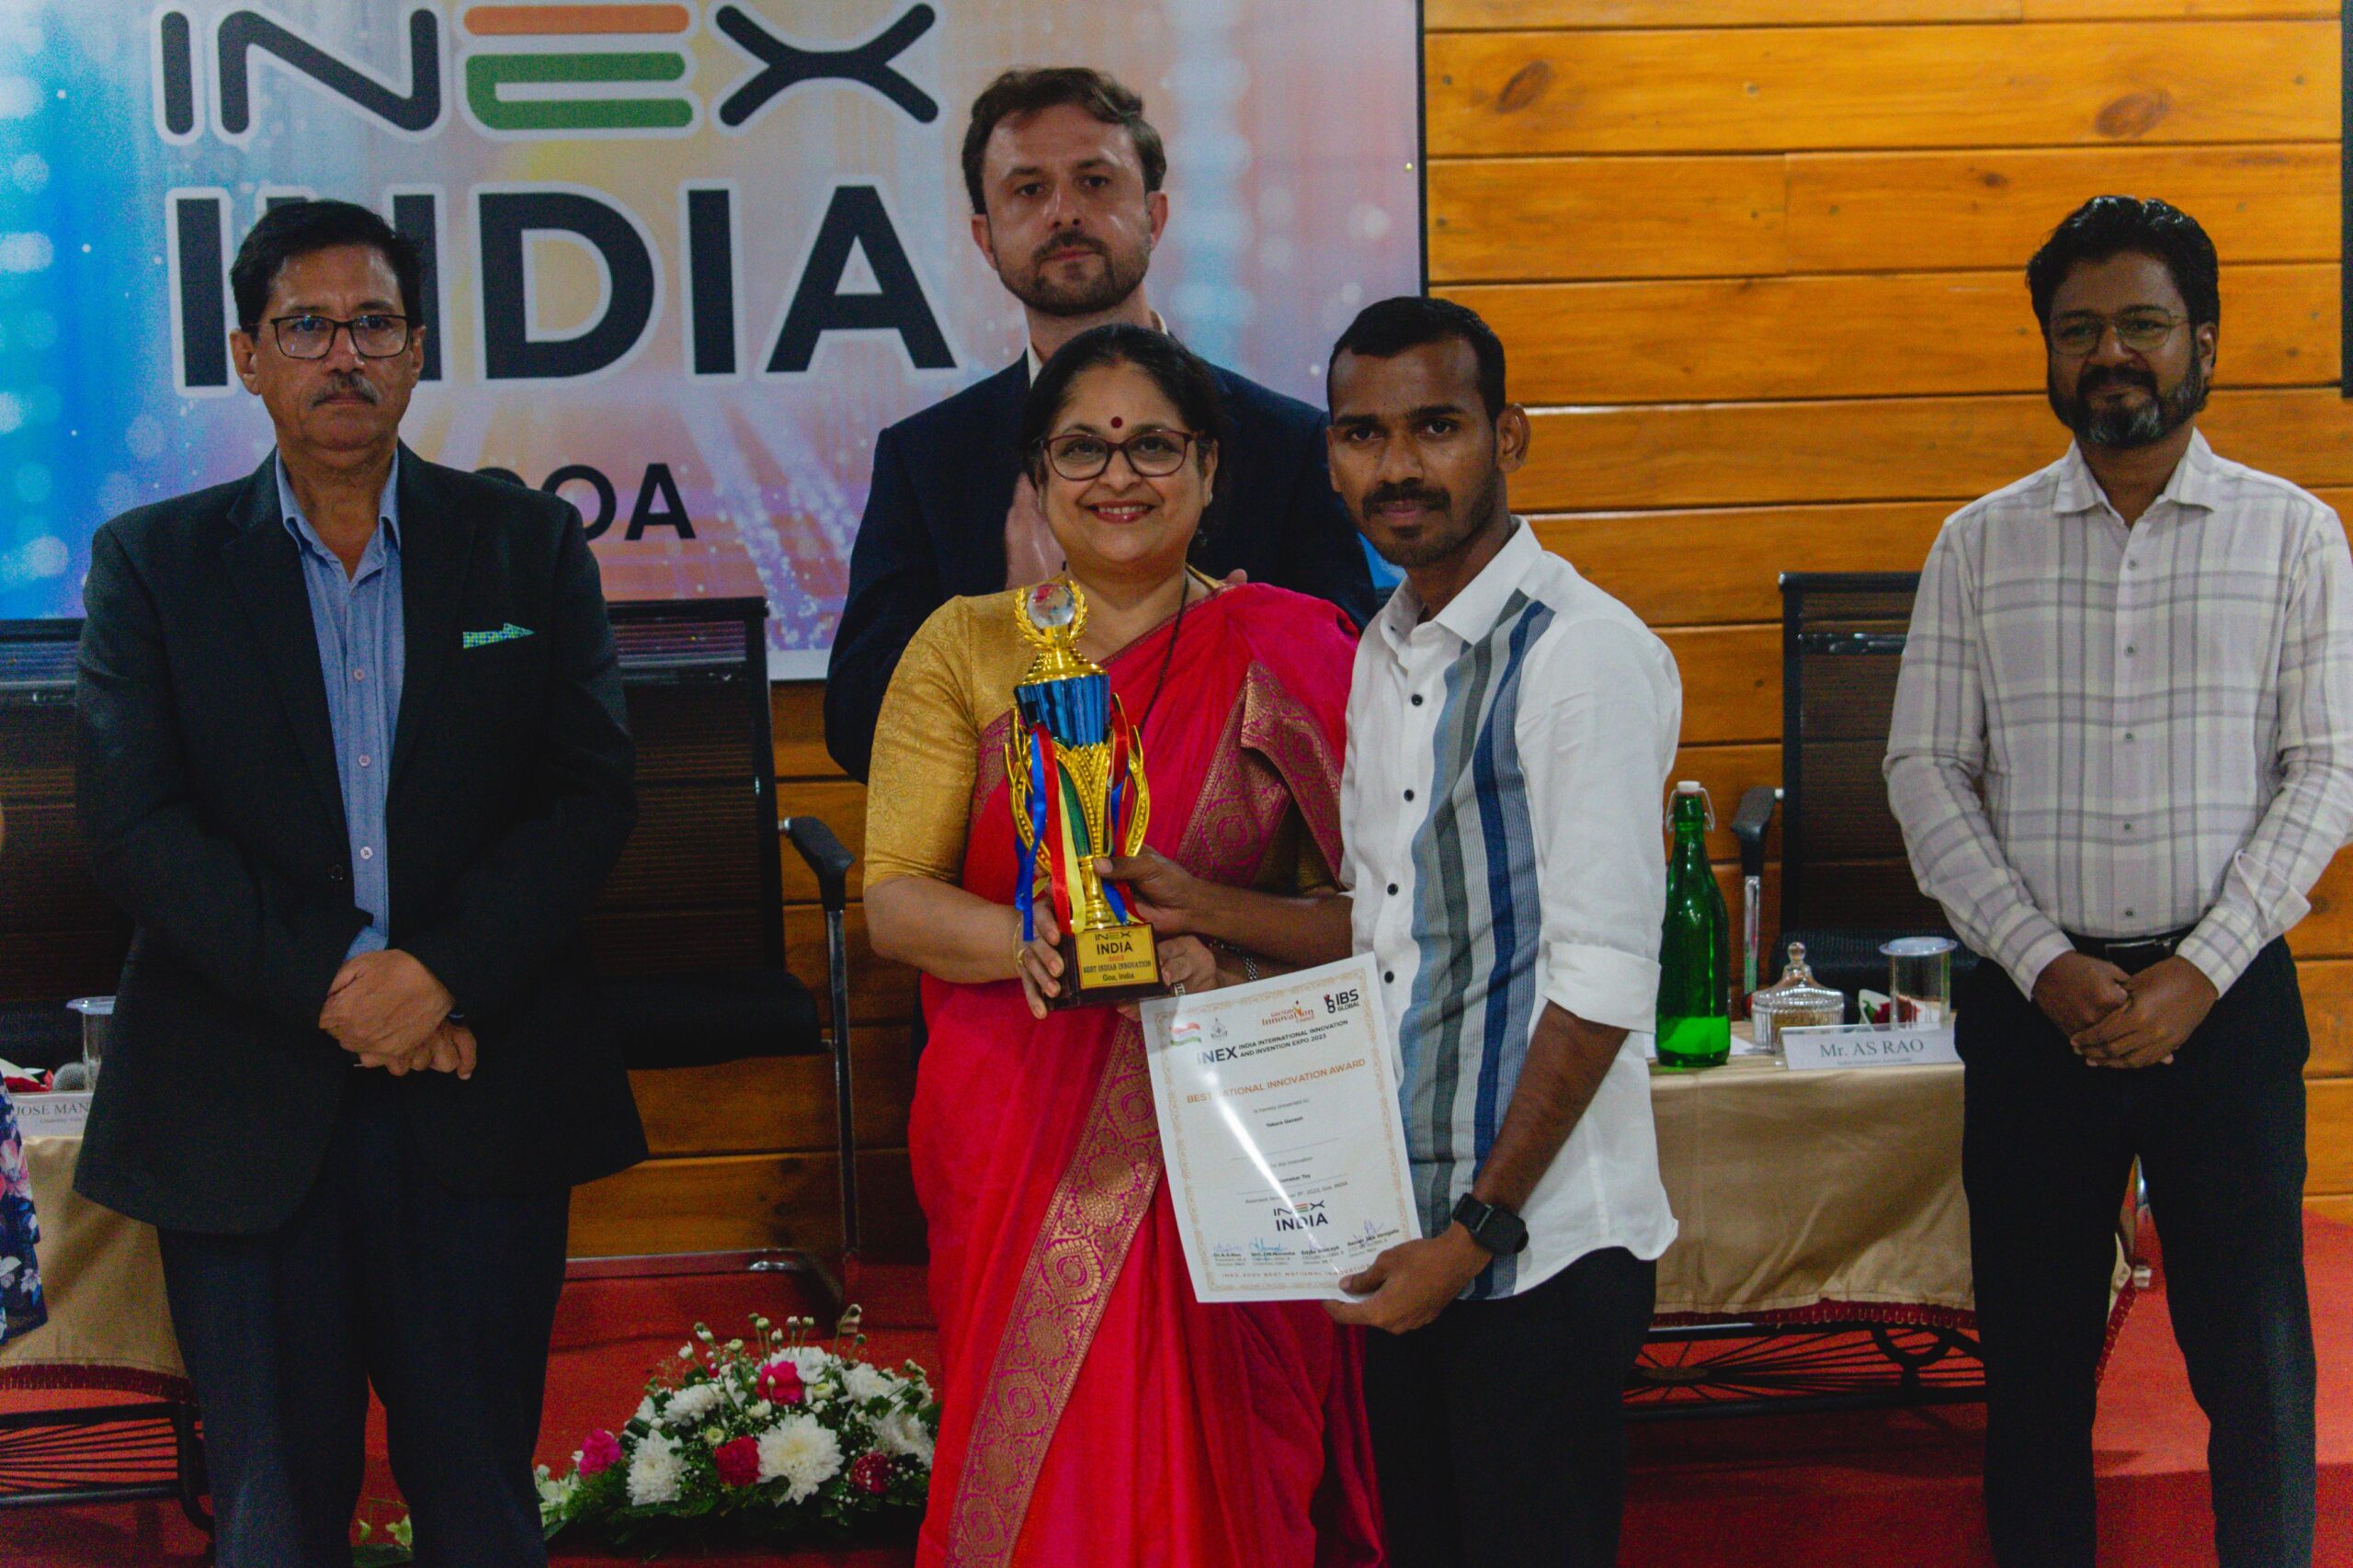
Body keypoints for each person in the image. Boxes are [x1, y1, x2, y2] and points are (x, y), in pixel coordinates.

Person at [74, 199, 643, 1566]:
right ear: (247, 355)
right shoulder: (153, 564)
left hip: (478, 1091)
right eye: (306, 327)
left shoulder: (525, 544)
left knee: (484, 1512)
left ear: (417, 348)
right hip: (245, 1109)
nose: (344, 354)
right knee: (271, 1521)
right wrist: (348, 986)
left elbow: (588, 796)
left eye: (374, 324)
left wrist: (438, 975)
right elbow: (138, 825)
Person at [860, 323, 1382, 1566]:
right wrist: (1026, 938)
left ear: (1208, 466)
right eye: (1081, 449)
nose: (1119, 476)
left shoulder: (1291, 645)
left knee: (1233, 1455)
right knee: (1046, 1462)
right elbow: (894, 899)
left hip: (1242, 1115)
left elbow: (1380, 913)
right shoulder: (964, 645)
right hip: (1018, 1105)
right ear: (1036, 475)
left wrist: (1217, 933)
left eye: (1153, 444)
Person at [1885, 195, 2350, 1568]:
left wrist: (2197, 971)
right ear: (2048, 349)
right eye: (2079, 329)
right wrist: (2042, 961)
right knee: (2031, 1371)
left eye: (2142, 324)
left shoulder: (2293, 535)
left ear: (2204, 341)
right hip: (2037, 1011)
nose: (2110, 354)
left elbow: (2326, 769)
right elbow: (1924, 770)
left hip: (2227, 1004)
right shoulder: (1979, 544)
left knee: (2255, 1362)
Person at [824, 65, 1380, 782]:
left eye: (1094, 181)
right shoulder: (928, 460)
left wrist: (1242, 647)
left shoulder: (1284, 442)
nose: (1064, 213)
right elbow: (858, 727)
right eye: (1029, 190)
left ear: (1154, 215)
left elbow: (1357, 700)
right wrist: (1015, 631)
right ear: (985, 238)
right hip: (1011, 854)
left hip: (1233, 852)